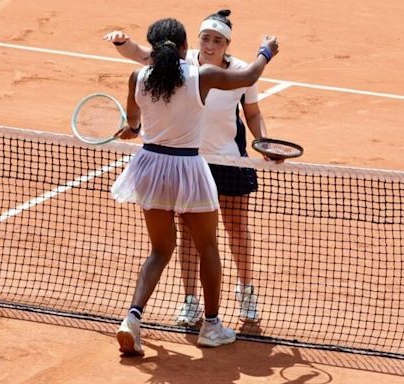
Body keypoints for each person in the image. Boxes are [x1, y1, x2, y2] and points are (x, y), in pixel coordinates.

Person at [110, 17, 279, 356]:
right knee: (207, 245)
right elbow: (249, 77)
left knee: (160, 250)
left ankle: (132, 318)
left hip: (150, 169)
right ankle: (212, 326)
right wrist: (267, 51)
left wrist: (132, 130)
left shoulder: (137, 77)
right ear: (186, 47)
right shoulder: (201, 76)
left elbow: (133, 125)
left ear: (154, 49)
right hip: (189, 169)